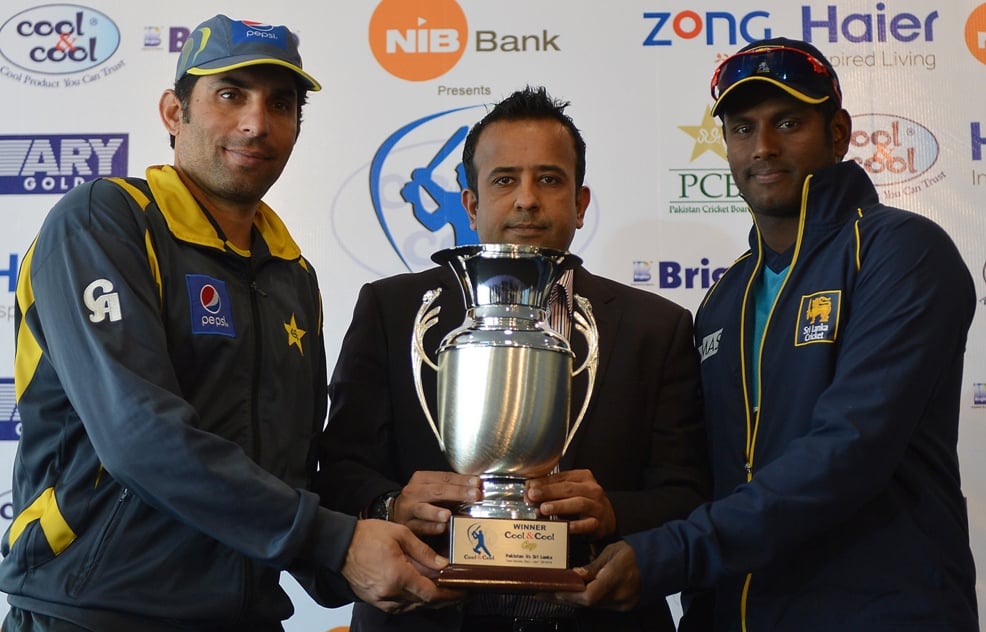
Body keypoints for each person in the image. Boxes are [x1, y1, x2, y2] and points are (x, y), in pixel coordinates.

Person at [0, 14, 459, 631]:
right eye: (229, 94)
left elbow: (288, 463)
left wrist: (381, 518)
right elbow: (140, 437)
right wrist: (337, 543)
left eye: (282, 103)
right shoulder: (104, 221)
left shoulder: (291, 274)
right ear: (173, 112)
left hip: (245, 615)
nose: (256, 123)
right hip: (97, 611)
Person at [553, 37, 980, 630]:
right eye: (742, 128)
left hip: (877, 612)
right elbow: (705, 482)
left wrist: (669, 554)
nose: (764, 148)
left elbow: (849, 450)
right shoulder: (724, 300)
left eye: (788, 121)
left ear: (837, 133)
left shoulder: (899, 251)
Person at [317, 85, 711, 631]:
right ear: (472, 203)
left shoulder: (656, 327)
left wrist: (616, 513)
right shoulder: (393, 309)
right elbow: (337, 470)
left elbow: (689, 494)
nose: (527, 199)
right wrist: (391, 506)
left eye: (549, 179)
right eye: (505, 180)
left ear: (581, 202)